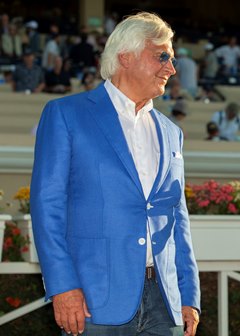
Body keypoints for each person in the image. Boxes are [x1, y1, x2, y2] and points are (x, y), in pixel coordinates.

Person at [30, 12, 200, 336]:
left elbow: (179, 218)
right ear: (125, 56)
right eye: (162, 56)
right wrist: (62, 286)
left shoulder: (171, 132)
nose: (172, 68)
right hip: (93, 301)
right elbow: (46, 207)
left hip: (165, 304)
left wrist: (188, 295)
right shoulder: (66, 115)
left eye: (172, 58)